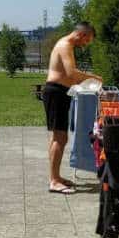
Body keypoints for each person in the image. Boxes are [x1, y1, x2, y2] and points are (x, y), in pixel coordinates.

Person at [43, 22, 102, 194]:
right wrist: (94, 77)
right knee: (59, 138)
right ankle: (54, 181)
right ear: (82, 35)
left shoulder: (66, 45)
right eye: (87, 40)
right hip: (55, 93)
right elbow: (71, 73)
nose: (86, 44)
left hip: (60, 92)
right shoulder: (65, 45)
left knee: (59, 137)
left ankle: (56, 177)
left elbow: (70, 76)